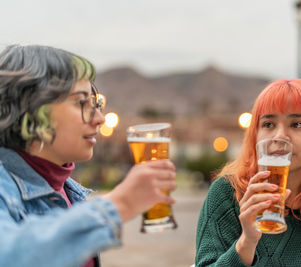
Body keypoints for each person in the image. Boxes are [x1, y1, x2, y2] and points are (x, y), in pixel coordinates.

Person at [0, 44, 176, 267]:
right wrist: (121, 203)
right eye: (82, 102)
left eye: (96, 104)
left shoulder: (68, 191)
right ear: (33, 109)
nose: (100, 118)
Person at [195, 79, 301, 266]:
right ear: (255, 135)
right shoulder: (227, 193)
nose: (279, 136)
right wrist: (247, 242)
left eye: (296, 124)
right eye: (268, 124)